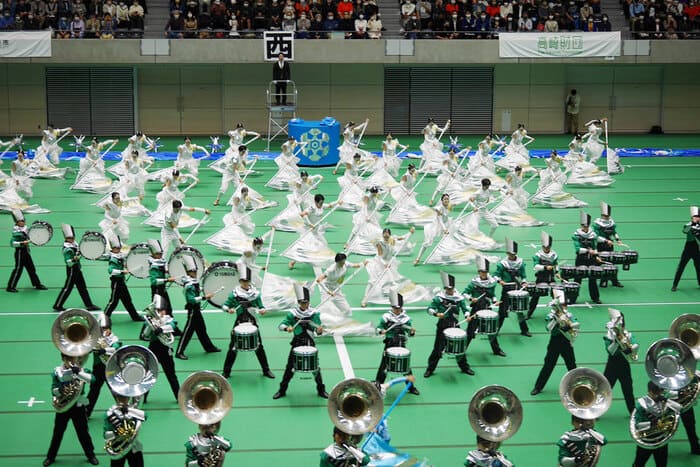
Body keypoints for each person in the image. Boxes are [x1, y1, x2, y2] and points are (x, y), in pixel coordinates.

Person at [273, 285, 328, 399]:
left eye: (306, 302)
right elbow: (281, 325)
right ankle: (282, 390)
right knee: (289, 367)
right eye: (302, 302)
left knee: (315, 367)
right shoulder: (293, 314)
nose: (304, 305)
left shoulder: (314, 313)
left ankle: (321, 390)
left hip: (310, 342)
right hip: (297, 343)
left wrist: (319, 330)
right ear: (299, 302)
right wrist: (287, 328)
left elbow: (318, 331)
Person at [43, 353, 99, 467]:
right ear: (63, 358)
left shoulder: (83, 370)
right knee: (58, 432)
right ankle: (50, 456)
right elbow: (53, 388)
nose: (70, 360)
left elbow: (93, 380)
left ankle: (91, 455)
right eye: (67, 358)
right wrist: (58, 394)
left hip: (78, 406)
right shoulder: (57, 371)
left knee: (83, 432)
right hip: (63, 406)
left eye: (73, 358)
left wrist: (79, 372)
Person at [221, 265, 275, 379]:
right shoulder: (234, 294)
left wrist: (262, 310)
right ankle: (226, 372)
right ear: (240, 281)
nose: (245, 283)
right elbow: (225, 306)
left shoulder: (255, 294)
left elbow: (261, 306)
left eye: (247, 281)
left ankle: (266, 370)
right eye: (243, 281)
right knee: (233, 347)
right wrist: (228, 309)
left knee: (259, 346)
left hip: (252, 322)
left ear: (250, 281)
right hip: (239, 322)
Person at [424, 272, 474, 377]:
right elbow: (429, 309)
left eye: (450, 289)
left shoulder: (459, 298)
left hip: (455, 325)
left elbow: (465, 309)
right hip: (442, 325)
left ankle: (465, 367)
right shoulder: (439, 298)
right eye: (447, 289)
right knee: (437, 349)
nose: (449, 291)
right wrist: (437, 314)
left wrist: (467, 316)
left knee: (459, 348)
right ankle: (430, 369)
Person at [530, 289, 578, 396]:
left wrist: (569, 325)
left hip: (566, 342)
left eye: (564, 305)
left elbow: (576, 325)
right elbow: (548, 328)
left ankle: (577, 386)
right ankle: (538, 387)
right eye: (561, 305)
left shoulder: (569, 315)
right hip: (554, 342)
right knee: (548, 365)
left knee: (571, 365)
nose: (563, 307)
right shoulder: (551, 315)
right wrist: (556, 321)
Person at [374, 291, 420, 395]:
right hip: (389, 343)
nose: (397, 311)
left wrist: (411, 332)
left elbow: (409, 332)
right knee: (384, 366)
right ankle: (378, 386)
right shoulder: (386, 317)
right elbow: (378, 328)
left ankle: (411, 387)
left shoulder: (406, 319)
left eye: (398, 309)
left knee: (406, 367)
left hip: (401, 344)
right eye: (395, 308)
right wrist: (381, 331)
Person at [175, 255, 220, 360]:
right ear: (188, 272)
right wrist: (204, 297)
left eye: (195, 271)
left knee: (201, 329)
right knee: (188, 331)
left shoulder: (194, 282)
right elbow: (191, 299)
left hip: (197, 310)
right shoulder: (189, 285)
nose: (195, 273)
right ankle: (179, 351)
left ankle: (208, 347)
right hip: (192, 310)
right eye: (192, 271)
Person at [463, 257, 507, 358]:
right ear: (479, 272)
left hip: (487, 309)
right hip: (476, 309)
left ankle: (496, 350)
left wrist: (495, 301)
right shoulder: (474, 282)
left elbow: (492, 295)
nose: (483, 274)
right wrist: (471, 299)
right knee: (470, 330)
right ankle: (463, 349)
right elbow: (464, 293)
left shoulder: (491, 283)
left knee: (491, 330)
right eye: (481, 272)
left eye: (485, 272)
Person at [631, 381, 682, 466]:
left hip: (661, 439)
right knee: (639, 463)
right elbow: (638, 425)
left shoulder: (663, 399)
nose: (659, 394)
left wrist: (667, 400)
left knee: (661, 464)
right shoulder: (641, 404)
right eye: (657, 392)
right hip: (647, 439)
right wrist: (653, 423)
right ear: (650, 391)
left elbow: (679, 408)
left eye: (660, 392)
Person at [140, 294, 180, 401]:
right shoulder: (151, 320)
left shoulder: (169, 319)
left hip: (165, 349)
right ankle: (142, 396)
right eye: (158, 310)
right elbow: (144, 336)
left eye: (162, 310)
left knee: (171, 374)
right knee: (148, 373)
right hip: (153, 348)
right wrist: (150, 326)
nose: (161, 312)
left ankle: (179, 396)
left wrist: (161, 329)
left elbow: (173, 326)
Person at [53, 224, 100, 312]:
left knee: (82, 287)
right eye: (69, 238)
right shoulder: (67, 249)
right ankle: (57, 305)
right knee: (67, 288)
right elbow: (69, 263)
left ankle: (89, 305)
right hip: (72, 270)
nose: (72, 239)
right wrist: (75, 259)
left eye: (72, 237)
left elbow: (80, 251)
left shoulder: (74, 244)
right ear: (66, 238)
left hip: (77, 268)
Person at [86, 313, 122, 418]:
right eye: (102, 328)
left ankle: (122, 409)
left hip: (110, 368)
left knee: (115, 390)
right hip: (98, 368)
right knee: (93, 390)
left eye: (106, 328)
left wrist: (104, 350)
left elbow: (116, 348)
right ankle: (87, 412)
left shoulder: (114, 338)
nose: (104, 330)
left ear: (110, 328)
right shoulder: (94, 338)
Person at [603, 308, 638, 414]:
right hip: (612, 365)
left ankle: (632, 411)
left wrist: (630, 349)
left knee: (628, 389)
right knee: (605, 390)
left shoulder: (628, 334)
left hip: (624, 365)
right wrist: (617, 342)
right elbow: (610, 351)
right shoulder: (609, 336)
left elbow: (636, 344)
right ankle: (596, 411)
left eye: (620, 321)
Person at [103, 234, 143, 322]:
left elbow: (125, 256)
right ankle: (104, 317)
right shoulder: (113, 258)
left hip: (121, 281)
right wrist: (122, 271)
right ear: (112, 248)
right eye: (116, 248)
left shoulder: (119, 255)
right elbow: (111, 271)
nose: (118, 250)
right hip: (116, 282)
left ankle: (135, 317)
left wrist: (132, 249)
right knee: (113, 301)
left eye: (119, 248)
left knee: (127, 300)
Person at [6, 209, 47, 293]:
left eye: (23, 220)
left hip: (26, 251)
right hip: (20, 252)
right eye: (20, 221)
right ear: (17, 222)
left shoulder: (25, 228)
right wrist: (22, 243)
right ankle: (10, 286)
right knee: (18, 269)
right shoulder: (16, 232)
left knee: (31, 268)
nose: (23, 222)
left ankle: (37, 284)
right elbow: (12, 243)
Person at [495, 238, 530, 337]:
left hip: (517, 289)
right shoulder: (503, 264)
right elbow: (495, 275)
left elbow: (523, 276)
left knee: (519, 311)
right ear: (507, 253)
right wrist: (500, 281)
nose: (512, 256)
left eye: (513, 254)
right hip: (506, 289)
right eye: (510, 254)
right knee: (502, 311)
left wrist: (524, 283)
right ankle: (496, 330)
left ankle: (524, 330)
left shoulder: (520, 262)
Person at [103, 393, 146, 467]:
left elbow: (145, 416)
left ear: (128, 398)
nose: (122, 401)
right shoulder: (110, 413)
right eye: (120, 398)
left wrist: (130, 411)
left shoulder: (132, 410)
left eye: (125, 398)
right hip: (117, 446)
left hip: (133, 445)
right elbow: (106, 435)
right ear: (116, 398)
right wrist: (117, 433)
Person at [572, 212, 604, 304]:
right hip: (581, 259)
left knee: (593, 278)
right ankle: (573, 298)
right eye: (583, 226)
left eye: (586, 226)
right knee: (577, 279)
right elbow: (578, 249)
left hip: (591, 259)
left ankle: (595, 297)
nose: (584, 227)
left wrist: (597, 256)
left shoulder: (592, 234)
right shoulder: (576, 235)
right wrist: (588, 250)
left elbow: (594, 247)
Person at [527, 231, 559, 321]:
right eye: (544, 247)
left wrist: (557, 272)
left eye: (547, 247)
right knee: (535, 296)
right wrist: (545, 267)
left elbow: (556, 265)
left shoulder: (554, 254)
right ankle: (529, 313)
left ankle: (556, 313)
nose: (546, 248)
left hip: (551, 277)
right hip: (541, 278)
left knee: (556, 296)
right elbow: (535, 266)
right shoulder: (538, 255)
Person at [593, 201, 624, 288]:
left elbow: (614, 232)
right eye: (605, 216)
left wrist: (618, 239)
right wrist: (606, 241)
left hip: (609, 245)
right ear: (602, 215)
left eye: (608, 216)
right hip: (600, 245)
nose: (606, 217)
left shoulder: (611, 222)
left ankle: (614, 280)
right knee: (599, 262)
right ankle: (601, 280)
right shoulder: (597, 224)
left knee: (611, 263)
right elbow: (596, 236)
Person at [671, 206, 700, 292]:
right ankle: (674, 285)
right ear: (692, 217)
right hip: (688, 249)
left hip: (697, 249)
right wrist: (693, 225)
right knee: (681, 267)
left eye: (698, 216)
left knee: (698, 267)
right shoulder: (688, 225)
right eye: (695, 216)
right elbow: (685, 231)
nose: (697, 218)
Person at [147, 239, 174, 316]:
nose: (160, 255)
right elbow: (154, 281)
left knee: (168, 308)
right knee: (159, 310)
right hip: (157, 290)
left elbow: (161, 271)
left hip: (162, 288)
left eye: (161, 253)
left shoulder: (159, 262)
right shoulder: (153, 266)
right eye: (158, 254)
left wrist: (167, 271)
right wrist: (167, 280)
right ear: (153, 254)